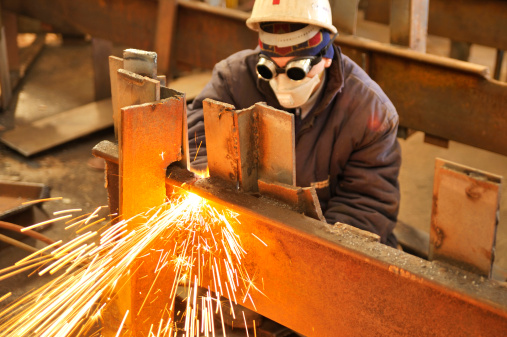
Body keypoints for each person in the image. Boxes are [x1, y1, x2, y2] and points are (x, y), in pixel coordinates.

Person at [187, 0, 401, 248]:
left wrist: (309, 253)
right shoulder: (232, 80)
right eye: (271, 69)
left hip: (319, 241)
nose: (284, 83)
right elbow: (197, 146)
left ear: (327, 56)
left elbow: (365, 206)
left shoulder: (370, 112)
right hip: (245, 230)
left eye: (296, 71)